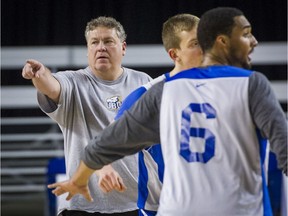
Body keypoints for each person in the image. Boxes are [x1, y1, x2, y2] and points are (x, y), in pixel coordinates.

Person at [47, 7, 288, 216]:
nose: (254, 41)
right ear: (220, 41)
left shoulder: (161, 91)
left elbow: (102, 146)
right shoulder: (251, 84)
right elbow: (285, 148)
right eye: (246, 35)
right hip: (238, 208)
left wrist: (79, 179)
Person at [22, 16, 152, 216]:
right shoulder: (73, 82)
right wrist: (40, 75)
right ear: (87, 50)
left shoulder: (142, 82)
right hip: (83, 206)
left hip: (136, 204)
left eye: (108, 41)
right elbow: (52, 86)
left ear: (123, 47)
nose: (101, 47)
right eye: (94, 42)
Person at [114, 14, 202, 216]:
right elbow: (109, 142)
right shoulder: (147, 96)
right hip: (162, 208)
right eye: (195, 43)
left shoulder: (221, 89)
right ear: (174, 54)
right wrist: (103, 167)